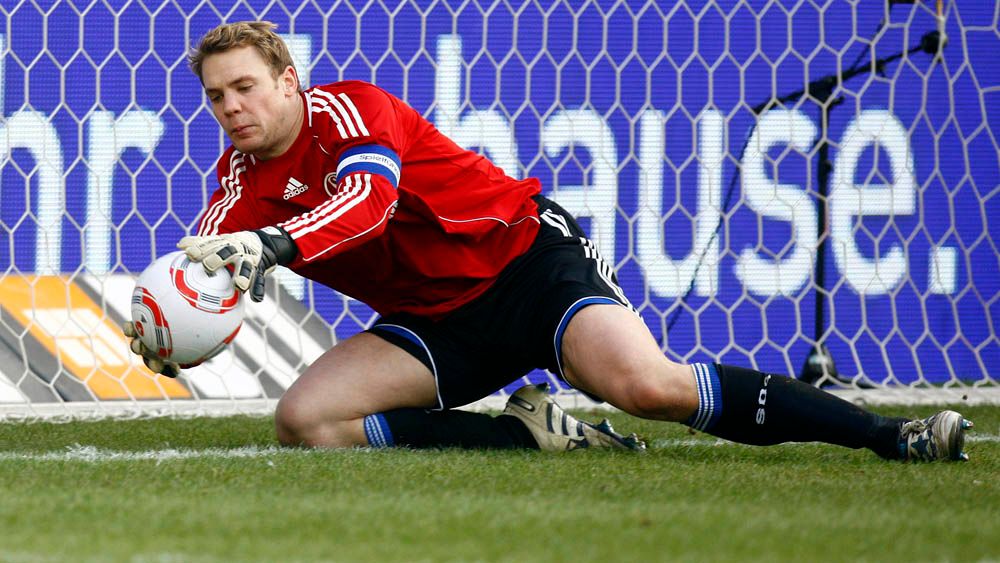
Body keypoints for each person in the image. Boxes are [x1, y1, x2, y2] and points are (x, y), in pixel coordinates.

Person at [124, 21, 973, 461]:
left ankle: (888, 435)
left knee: (647, 386)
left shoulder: (352, 108)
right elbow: (207, 284)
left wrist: (272, 245)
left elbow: (369, 204)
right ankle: (527, 433)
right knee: (305, 420)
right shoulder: (236, 186)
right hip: (436, 319)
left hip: (528, 262)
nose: (232, 106)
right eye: (216, 96)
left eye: (245, 86)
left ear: (287, 81)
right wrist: (170, 334)